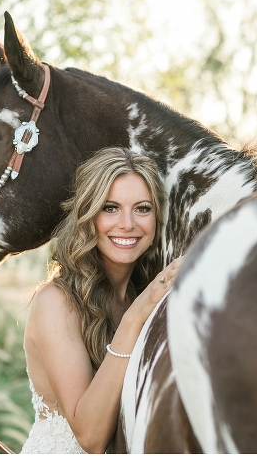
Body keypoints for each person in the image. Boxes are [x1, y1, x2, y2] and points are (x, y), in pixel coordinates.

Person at [20, 147, 184, 454]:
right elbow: (90, 437)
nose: (127, 223)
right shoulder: (56, 303)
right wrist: (135, 318)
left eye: (142, 208)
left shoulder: (141, 294)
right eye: (110, 208)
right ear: (88, 214)